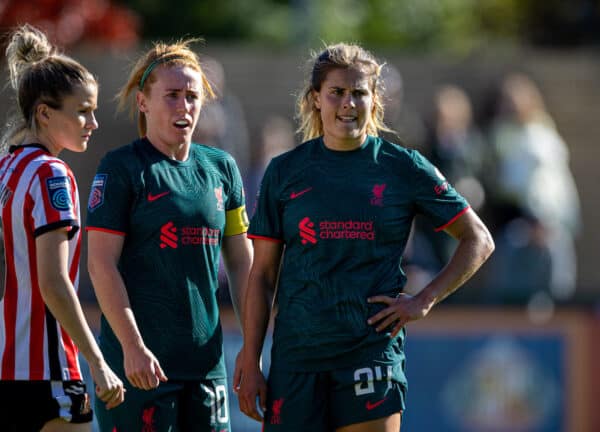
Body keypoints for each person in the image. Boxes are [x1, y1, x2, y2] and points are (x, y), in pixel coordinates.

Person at [234, 42, 495, 432]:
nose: (348, 103)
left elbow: (478, 239)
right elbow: (263, 275)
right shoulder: (284, 172)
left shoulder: (403, 167)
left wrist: (424, 299)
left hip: (370, 353)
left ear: (375, 101)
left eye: (359, 92)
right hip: (297, 358)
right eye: (337, 92)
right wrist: (251, 358)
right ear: (316, 99)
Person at [85, 38, 253, 432]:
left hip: (206, 368)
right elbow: (101, 264)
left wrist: (252, 343)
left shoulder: (222, 168)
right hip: (139, 368)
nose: (185, 107)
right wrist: (131, 346)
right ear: (143, 102)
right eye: (172, 95)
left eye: (192, 96)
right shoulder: (122, 168)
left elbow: (242, 261)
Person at [0, 24, 124, 432]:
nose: (93, 122)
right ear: (45, 112)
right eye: (83, 110)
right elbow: (53, 283)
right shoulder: (52, 175)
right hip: (47, 372)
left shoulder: (5, 170)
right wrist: (98, 362)